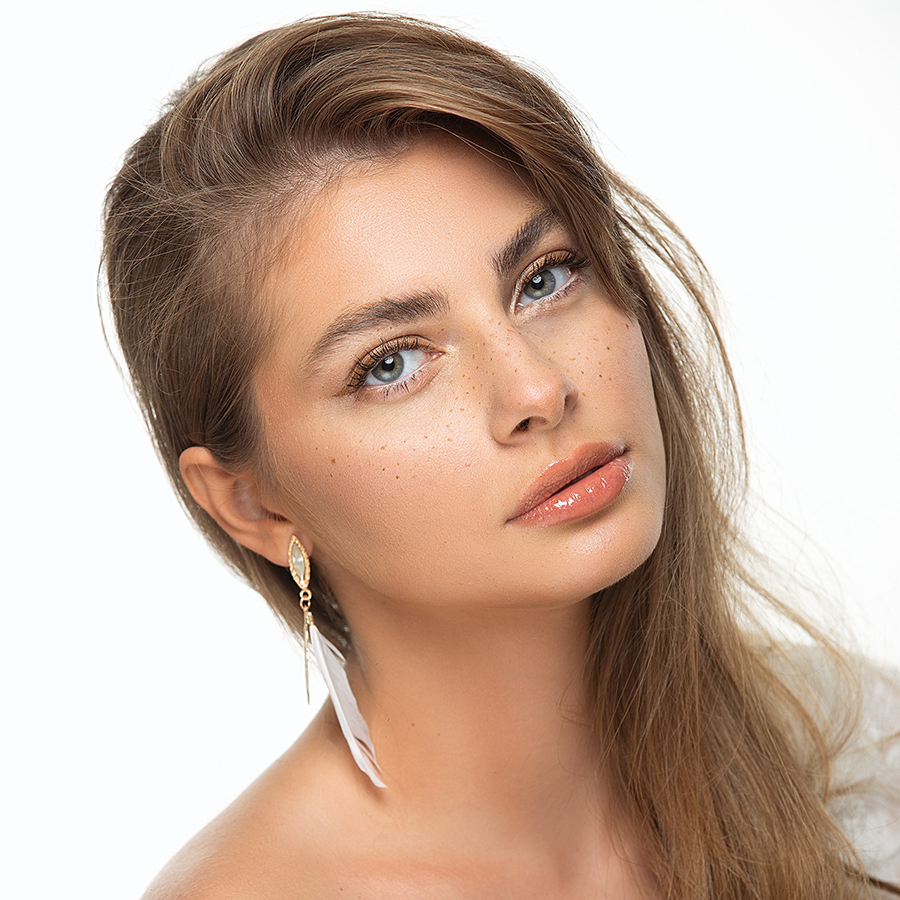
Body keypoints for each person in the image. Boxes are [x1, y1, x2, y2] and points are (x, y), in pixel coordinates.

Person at [102, 13, 899, 899]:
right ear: (252, 504)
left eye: (545, 278)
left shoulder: (859, 749)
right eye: (392, 364)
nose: (537, 389)